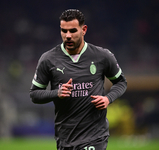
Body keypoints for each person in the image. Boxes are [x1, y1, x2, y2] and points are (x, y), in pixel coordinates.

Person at [30, 9, 127, 150]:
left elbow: (121, 82)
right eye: (64, 31)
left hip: (95, 136)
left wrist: (108, 98)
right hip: (65, 137)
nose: (68, 36)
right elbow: (34, 94)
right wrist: (56, 93)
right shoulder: (48, 59)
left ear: (84, 30)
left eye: (73, 31)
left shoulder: (102, 56)